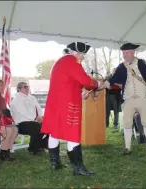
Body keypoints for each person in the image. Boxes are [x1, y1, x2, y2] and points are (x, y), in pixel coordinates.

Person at [41, 42, 103, 176]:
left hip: (56, 105)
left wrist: (81, 93)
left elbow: (68, 84)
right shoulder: (71, 61)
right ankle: (78, 168)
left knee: (54, 133)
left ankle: (55, 164)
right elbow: (85, 80)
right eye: (83, 55)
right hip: (68, 106)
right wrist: (97, 83)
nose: (83, 58)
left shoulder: (60, 62)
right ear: (78, 53)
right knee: (73, 135)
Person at [103, 42, 146, 156]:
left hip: (143, 98)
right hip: (128, 99)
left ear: (133, 52)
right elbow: (114, 78)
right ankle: (127, 147)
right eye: (123, 53)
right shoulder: (122, 66)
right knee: (127, 123)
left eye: (126, 52)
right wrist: (104, 83)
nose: (124, 55)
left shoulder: (142, 63)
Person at [10, 82, 49, 155]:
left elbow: (39, 108)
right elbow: (22, 112)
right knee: (36, 126)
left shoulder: (32, 97)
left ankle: (42, 146)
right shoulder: (17, 99)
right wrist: (35, 119)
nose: (27, 88)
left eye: (27, 86)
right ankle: (33, 149)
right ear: (19, 89)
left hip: (33, 121)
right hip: (21, 123)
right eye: (25, 87)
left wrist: (40, 116)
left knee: (47, 125)